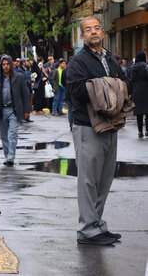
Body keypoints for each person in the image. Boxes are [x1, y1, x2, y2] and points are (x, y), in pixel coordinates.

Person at [66, 16, 131, 246]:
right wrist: (108, 85)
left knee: (104, 179)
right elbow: (76, 90)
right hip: (87, 126)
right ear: (82, 36)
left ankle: (97, 224)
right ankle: (86, 229)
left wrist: (106, 85)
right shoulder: (78, 62)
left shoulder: (110, 58)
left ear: (102, 32)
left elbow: (125, 82)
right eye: (88, 30)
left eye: (96, 28)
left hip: (110, 125)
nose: (93, 32)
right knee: (88, 180)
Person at [0, 55, 30, 166]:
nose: (5, 66)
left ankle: (11, 157)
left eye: (7, 64)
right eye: (3, 64)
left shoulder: (19, 77)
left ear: (11, 64)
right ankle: (7, 155)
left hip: (13, 110)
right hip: (1, 110)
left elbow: (25, 94)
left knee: (12, 134)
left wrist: (27, 110)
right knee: (4, 136)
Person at [131, 51, 148, 138]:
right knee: (147, 112)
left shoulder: (133, 67)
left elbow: (131, 79)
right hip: (146, 91)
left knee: (139, 113)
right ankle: (147, 131)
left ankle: (140, 131)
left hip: (136, 91)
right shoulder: (146, 66)